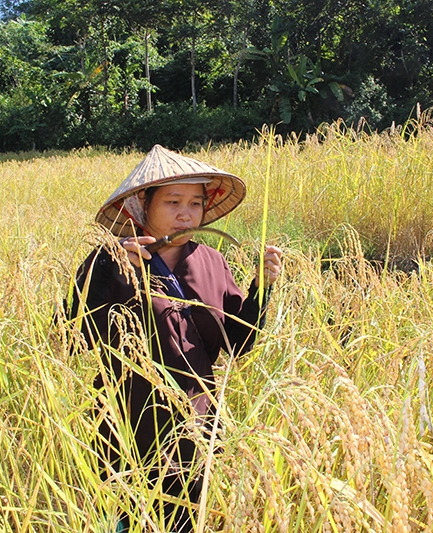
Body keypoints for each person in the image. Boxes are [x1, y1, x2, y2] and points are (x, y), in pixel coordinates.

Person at [65, 145, 282, 532]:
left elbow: (237, 343)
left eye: (195, 203)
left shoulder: (211, 261)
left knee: (184, 521)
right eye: (173, 201)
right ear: (141, 205)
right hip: (125, 430)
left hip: (194, 428)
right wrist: (111, 271)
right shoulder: (109, 260)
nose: (186, 213)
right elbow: (74, 335)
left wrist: (260, 289)